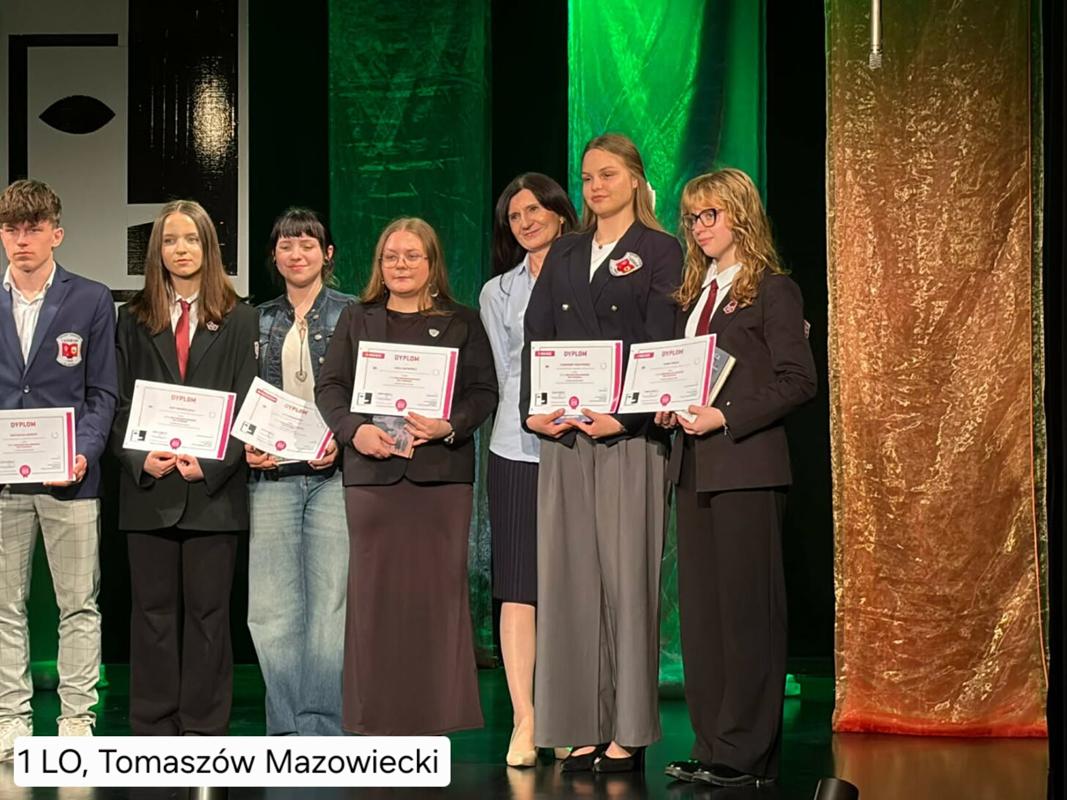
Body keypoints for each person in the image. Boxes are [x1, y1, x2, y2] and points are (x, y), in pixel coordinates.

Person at [520, 133, 682, 773]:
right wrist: (535, 408)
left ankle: (629, 730)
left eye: (608, 175)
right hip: (565, 434)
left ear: (637, 179)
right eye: (587, 178)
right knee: (570, 583)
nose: (595, 187)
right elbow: (538, 333)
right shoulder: (565, 250)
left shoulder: (661, 251)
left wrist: (628, 416)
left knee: (626, 581)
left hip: (627, 437)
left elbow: (662, 341)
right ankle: (580, 724)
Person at [656, 169, 816, 787]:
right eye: (692, 218)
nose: (699, 228)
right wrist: (669, 405)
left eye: (711, 215)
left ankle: (747, 754)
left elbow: (798, 381)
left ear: (741, 216)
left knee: (749, 615)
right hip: (694, 467)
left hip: (747, 465)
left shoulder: (773, 290)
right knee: (703, 619)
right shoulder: (694, 296)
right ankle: (712, 745)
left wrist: (724, 415)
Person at [317, 217, 497, 735]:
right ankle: (374, 719)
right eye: (391, 256)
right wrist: (355, 431)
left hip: (440, 481)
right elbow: (331, 387)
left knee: (436, 600)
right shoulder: (357, 318)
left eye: (412, 255)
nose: (400, 265)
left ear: (432, 263)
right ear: (380, 264)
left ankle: (434, 717)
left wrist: (449, 426)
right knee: (374, 600)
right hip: (373, 479)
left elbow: (484, 391)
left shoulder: (462, 321)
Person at [111, 199, 258, 735]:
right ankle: (152, 724)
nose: (180, 249)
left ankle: (202, 726)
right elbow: (116, 401)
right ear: (157, 250)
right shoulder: (132, 318)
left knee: (209, 615)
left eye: (191, 239)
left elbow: (248, 401)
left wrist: (214, 463)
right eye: (170, 240)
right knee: (151, 614)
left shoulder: (241, 318)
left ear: (208, 247)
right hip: (149, 487)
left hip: (213, 491)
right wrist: (138, 457)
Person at [0, 179, 117, 754]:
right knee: (4, 606)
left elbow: (103, 393)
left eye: (34, 228)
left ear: (57, 234)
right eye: (11, 229)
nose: (22, 240)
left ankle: (77, 717)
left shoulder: (90, 299)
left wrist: (82, 453)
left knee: (78, 604)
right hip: (3, 482)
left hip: (70, 478)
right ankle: (10, 717)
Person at [479, 174, 577, 766]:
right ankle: (525, 717)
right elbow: (500, 372)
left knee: (570, 582)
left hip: (583, 444)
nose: (526, 221)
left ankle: (566, 714)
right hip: (515, 447)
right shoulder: (497, 292)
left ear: (561, 213)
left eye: (536, 209)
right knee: (518, 584)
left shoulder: (590, 274)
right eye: (515, 215)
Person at [245, 208, 353, 735]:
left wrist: (344, 437)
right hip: (271, 477)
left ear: (327, 254)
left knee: (330, 607)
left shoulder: (353, 314)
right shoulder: (255, 318)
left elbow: (366, 391)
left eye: (307, 244)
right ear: (274, 256)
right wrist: (245, 443)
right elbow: (238, 393)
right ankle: (285, 730)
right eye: (286, 245)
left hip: (334, 476)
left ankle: (322, 729)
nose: (296, 254)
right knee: (271, 609)